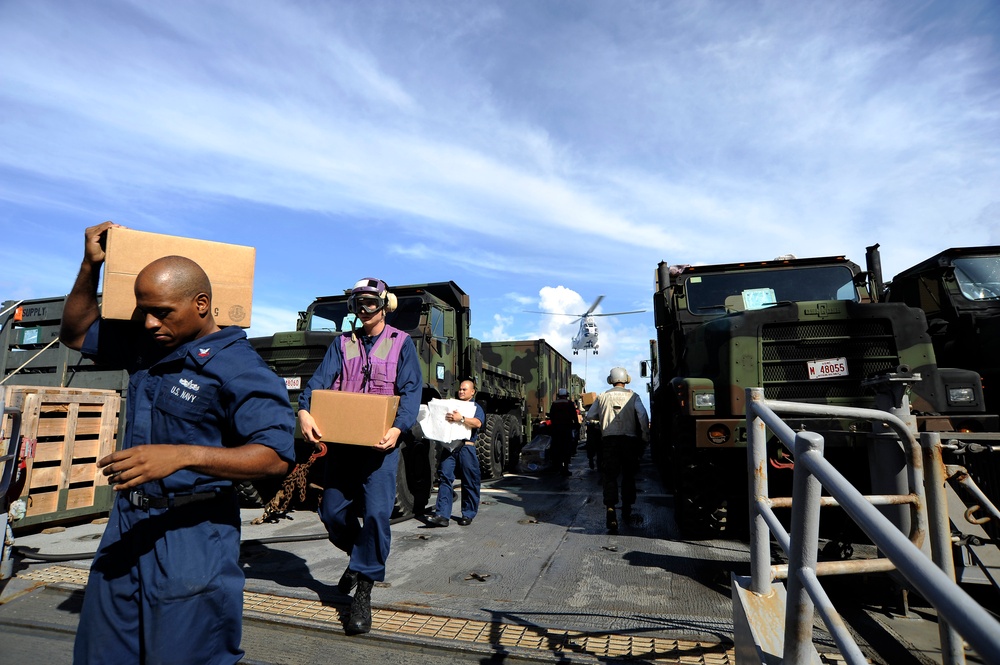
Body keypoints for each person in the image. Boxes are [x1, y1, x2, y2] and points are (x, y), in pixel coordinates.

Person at [60, 221, 296, 665]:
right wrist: (91, 267)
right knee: (101, 653)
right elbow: (74, 333)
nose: (149, 322)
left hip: (192, 534)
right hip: (129, 524)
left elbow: (275, 457)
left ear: (202, 304)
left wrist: (183, 456)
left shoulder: (241, 369)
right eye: (143, 309)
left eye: (163, 311)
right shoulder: (151, 346)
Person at [296, 278, 420, 635]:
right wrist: (304, 412)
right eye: (357, 304)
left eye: (368, 303)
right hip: (344, 447)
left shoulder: (401, 344)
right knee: (332, 512)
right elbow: (318, 384)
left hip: (380, 450)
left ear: (384, 304)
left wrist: (398, 429)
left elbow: (410, 392)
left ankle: (363, 592)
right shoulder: (342, 344)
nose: (363, 310)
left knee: (378, 515)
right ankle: (359, 557)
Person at [586, 367, 649, 534]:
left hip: (609, 442)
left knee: (610, 476)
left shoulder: (602, 397)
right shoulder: (633, 396)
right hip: (629, 441)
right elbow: (642, 416)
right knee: (628, 475)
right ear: (626, 379)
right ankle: (627, 507)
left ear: (610, 380)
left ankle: (611, 508)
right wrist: (644, 436)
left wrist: (602, 419)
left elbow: (590, 416)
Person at [427, 379, 485, 527]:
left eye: (465, 389)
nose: (461, 391)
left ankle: (468, 514)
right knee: (445, 478)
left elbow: (478, 423)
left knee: (469, 481)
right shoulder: (451, 405)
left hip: (466, 447)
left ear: (472, 392)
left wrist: (462, 418)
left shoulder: (475, 407)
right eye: (460, 389)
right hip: (449, 448)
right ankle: (442, 515)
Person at [547, 388, 581, 476]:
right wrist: (577, 425)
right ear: (566, 395)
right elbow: (574, 416)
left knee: (557, 448)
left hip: (556, 430)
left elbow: (551, 416)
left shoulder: (554, 404)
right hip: (566, 429)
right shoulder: (570, 403)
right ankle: (565, 468)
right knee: (566, 448)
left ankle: (557, 466)